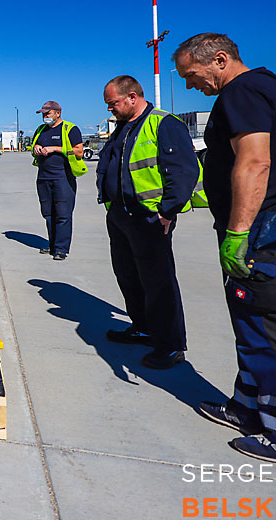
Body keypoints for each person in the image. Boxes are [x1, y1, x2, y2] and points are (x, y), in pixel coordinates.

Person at [174, 33, 276, 463]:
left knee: (266, 325)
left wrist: (239, 232)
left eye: (191, 75)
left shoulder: (241, 92)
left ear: (219, 60)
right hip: (265, 224)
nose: (189, 85)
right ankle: (247, 408)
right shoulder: (272, 86)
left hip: (262, 229)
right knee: (249, 322)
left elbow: (255, 160)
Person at [97, 75, 201, 370]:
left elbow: (184, 172)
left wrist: (167, 212)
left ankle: (170, 345)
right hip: (120, 216)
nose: (110, 110)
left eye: (113, 103)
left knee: (158, 283)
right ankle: (142, 327)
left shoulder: (163, 124)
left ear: (132, 97)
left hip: (149, 219)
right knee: (128, 276)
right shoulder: (122, 129)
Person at [30, 100, 86, 260]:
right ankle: (52, 244)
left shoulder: (70, 129)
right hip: (43, 177)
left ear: (58, 113)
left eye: (47, 114)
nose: (45, 117)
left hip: (63, 177)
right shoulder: (41, 130)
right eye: (43, 114)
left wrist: (55, 148)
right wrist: (36, 149)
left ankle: (61, 249)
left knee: (63, 214)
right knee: (48, 213)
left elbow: (79, 152)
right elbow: (34, 147)